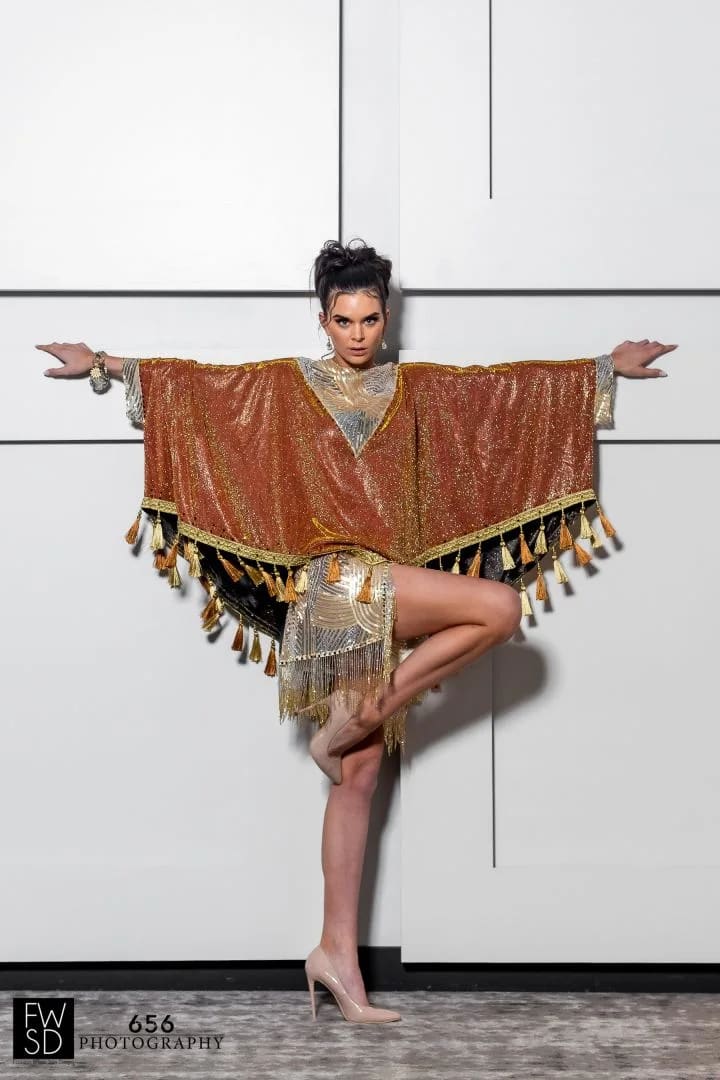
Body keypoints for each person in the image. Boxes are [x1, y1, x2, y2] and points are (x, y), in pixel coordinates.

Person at [38, 238, 677, 1024]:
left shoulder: (416, 388)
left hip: (379, 587)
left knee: (360, 776)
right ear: (323, 319)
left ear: (387, 316)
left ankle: (334, 954)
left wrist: (603, 369)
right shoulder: (285, 384)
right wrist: (101, 362)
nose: (357, 334)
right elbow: (200, 387)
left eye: (370, 319)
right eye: (343, 320)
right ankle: (348, 726)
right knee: (499, 610)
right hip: (331, 586)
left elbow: (505, 392)